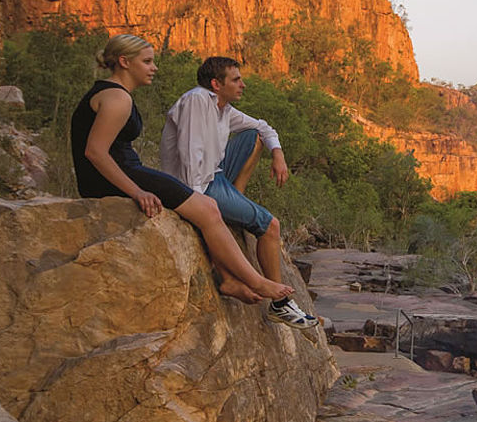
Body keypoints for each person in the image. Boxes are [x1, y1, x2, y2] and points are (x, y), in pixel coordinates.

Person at [69, 34, 316, 326]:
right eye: (147, 61)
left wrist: (277, 153)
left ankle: (239, 265)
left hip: (138, 170)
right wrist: (137, 192)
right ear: (124, 62)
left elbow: (261, 128)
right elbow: (95, 152)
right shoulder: (119, 98)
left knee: (228, 176)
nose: (154, 68)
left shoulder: (118, 95)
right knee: (209, 209)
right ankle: (255, 281)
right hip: (116, 176)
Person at [159, 55, 318, 327]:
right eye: (236, 80)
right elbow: (189, 154)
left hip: (215, 174)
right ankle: (280, 305)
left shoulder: (224, 110)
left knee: (254, 136)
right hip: (196, 185)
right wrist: (200, 208)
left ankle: (236, 198)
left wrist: (278, 154)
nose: (242, 84)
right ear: (216, 84)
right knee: (270, 226)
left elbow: (264, 127)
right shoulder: (197, 101)